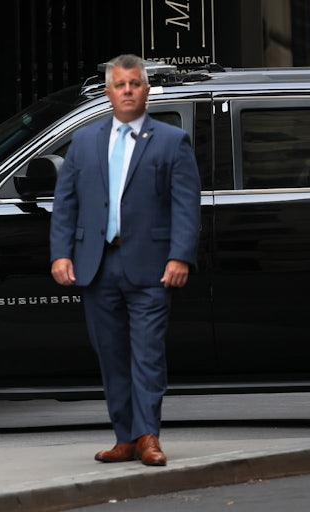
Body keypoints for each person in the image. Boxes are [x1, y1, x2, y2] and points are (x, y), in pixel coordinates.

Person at [50, 54, 201, 466]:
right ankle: (125, 437)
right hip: (96, 265)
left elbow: (185, 206)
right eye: (121, 85)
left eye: (135, 84)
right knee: (111, 355)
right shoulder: (84, 142)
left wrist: (180, 256)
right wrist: (61, 254)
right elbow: (66, 204)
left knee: (147, 353)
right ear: (108, 92)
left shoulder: (171, 141)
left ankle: (149, 437)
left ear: (147, 91)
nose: (128, 91)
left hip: (151, 266)